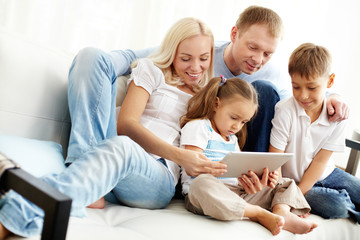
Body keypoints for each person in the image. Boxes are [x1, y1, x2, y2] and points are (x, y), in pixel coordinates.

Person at [0, 17, 226, 239]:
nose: (196, 67)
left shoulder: (209, 95)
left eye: (204, 58)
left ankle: (12, 215)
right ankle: (87, 177)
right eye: (186, 58)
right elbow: (126, 124)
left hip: (156, 179)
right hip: (112, 155)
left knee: (123, 148)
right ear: (171, 52)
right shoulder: (152, 70)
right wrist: (180, 155)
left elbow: (219, 140)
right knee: (91, 55)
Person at [95, 5, 348, 153]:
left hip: (242, 145)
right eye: (253, 47)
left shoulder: (273, 75)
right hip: (201, 142)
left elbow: (299, 103)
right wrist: (102, 63)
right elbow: (145, 57)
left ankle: (258, 177)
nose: (258, 59)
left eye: (268, 53)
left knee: (264, 90)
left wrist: (331, 96)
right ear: (234, 34)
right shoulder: (201, 56)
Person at [180, 76, 317, 235]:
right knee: (202, 183)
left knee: (285, 182)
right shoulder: (198, 127)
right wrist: (220, 169)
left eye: (243, 122)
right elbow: (192, 168)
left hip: (237, 194)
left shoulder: (232, 138)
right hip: (205, 196)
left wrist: (254, 181)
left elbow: (238, 174)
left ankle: (281, 211)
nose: (237, 126)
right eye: (234, 118)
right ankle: (258, 214)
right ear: (216, 104)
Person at [269, 43, 360, 223]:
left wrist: (298, 196)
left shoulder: (337, 115)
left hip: (327, 173)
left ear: (330, 81)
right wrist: (292, 197)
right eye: (296, 87)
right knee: (337, 205)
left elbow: (320, 161)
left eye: (311, 88)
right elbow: (275, 159)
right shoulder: (285, 110)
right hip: (293, 182)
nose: (303, 96)